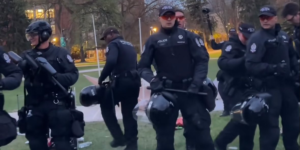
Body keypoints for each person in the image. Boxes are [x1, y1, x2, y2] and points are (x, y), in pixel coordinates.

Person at [138, 5, 215, 150]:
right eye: (165, 16)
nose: (168, 19)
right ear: (160, 19)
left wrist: (196, 83)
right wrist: (153, 81)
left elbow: (202, 61)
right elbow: (142, 67)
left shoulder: (190, 37)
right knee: (164, 139)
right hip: (165, 93)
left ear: (175, 18)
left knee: (202, 135)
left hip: (190, 91)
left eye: (171, 16)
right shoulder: (153, 41)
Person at [245, 5, 299, 150]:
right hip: (268, 88)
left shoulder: (283, 36)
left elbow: (293, 56)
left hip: (287, 87)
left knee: (293, 125)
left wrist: (296, 72)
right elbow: (250, 65)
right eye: (262, 18)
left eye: (268, 17)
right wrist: (274, 68)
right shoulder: (257, 39)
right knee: (270, 132)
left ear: (275, 18)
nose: (265, 20)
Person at [21, 20, 80, 150]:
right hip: (35, 104)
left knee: (62, 143)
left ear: (45, 35)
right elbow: (15, 75)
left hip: (56, 103)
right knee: (35, 142)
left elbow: (73, 75)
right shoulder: (27, 56)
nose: (30, 38)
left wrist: (55, 77)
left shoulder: (61, 53)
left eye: (33, 35)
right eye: (29, 35)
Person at [214, 23, 256, 150]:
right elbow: (224, 63)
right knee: (240, 117)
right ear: (239, 33)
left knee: (251, 117)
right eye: (245, 37)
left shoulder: (252, 45)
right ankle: (220, 142)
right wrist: (244, 60)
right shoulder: (230, 46)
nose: (247, 40)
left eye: (250, 37)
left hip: (246, 86)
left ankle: (246, 146)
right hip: (230, 86)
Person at [99, 27, 140, 150]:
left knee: (106, 105)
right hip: (134, 82)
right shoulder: (129, 45)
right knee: (129, 114)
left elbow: (111, 61)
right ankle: (132, 144)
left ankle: (118, 138)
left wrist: (102, 78)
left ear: (111, 35)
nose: (105, 41)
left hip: (122, 82)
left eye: (105, 38)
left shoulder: (114, 44)